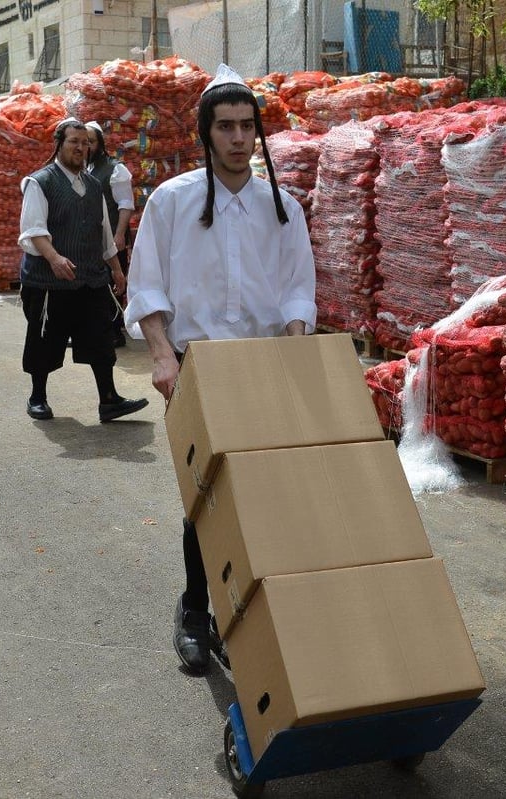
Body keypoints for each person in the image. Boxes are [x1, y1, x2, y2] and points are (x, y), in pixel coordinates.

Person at [125, 64, 317, 675]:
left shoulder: (281, 206)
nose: (238, 137)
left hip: (264, 365)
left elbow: (296, 290)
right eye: (225, 127)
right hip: (197, 367)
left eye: (246, 127)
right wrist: (161, 357)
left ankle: (255, 613)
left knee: (265, 492)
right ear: (206, 133)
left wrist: (295, 350)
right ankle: (194, 608)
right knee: (205, 498)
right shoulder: (173, 200)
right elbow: (147, 286)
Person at [17, 117, 149, 424]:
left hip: (90, 277)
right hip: (50, 280)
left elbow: (104, 231)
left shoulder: (92, 185)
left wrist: (116, 269)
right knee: (44, 340)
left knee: (100, 338)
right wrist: (54, 258)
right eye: (74, 142)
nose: (80, 148)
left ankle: (109, 400)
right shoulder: (40, 182)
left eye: (85, 143)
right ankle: (37, 397)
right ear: (59, 145)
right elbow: (33, 229)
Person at [84, 121, 135, 348]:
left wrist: (119, 234)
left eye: (91, 142)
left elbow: (125, 204)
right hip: (92, 241)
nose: (86, 147)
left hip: (112, 237)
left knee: (114, 283)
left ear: (100, 144)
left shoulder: (115, 170)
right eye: (83, 143)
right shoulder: (85, 169)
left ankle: (115, 333)